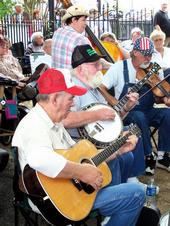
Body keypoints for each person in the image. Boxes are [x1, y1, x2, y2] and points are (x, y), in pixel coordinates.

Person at [12, 68, 145, 226]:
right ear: (54, 99)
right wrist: (82, 172)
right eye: (71, 98)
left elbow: (84, 160)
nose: (73, 103)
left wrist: (118, 150)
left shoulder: (55, 122)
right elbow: (40, 160)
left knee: (127, 184)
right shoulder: (33, 124)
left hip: (72, 192)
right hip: (56, 202)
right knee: (136, 194)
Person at [62, 44, 146, 182]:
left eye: (99, 64)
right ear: (82, 68)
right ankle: (118, 191)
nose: (100, 68)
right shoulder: (71, 88)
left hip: (100, 137)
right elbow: (64, 120)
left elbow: (110, 119)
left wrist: (126, 108)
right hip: (81, 145)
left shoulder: (94, 85)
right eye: (96, 65)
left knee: (132, 134)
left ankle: (127, 184)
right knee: (123, 155)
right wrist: (96, 115)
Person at [101, 37, 170, 175]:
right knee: (139, 116)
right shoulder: (119, 67)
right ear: (135, 53)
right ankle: (147, 155)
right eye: (145, 55)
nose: (148, 58)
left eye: (151, 54)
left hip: (148, 110)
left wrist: (163, 99)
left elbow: (156, 99)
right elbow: (101, 87)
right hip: (126, 113)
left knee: (167, 114)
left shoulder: (154, 69)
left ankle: (162, 155)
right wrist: (114, 102)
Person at [51, 4, 91, 69]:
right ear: (74, 20)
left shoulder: (57, 32)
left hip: (56, 76)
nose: (86, 23)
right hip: (71, 78)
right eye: (83, 20)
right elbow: (94, 62)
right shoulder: (80, 39)